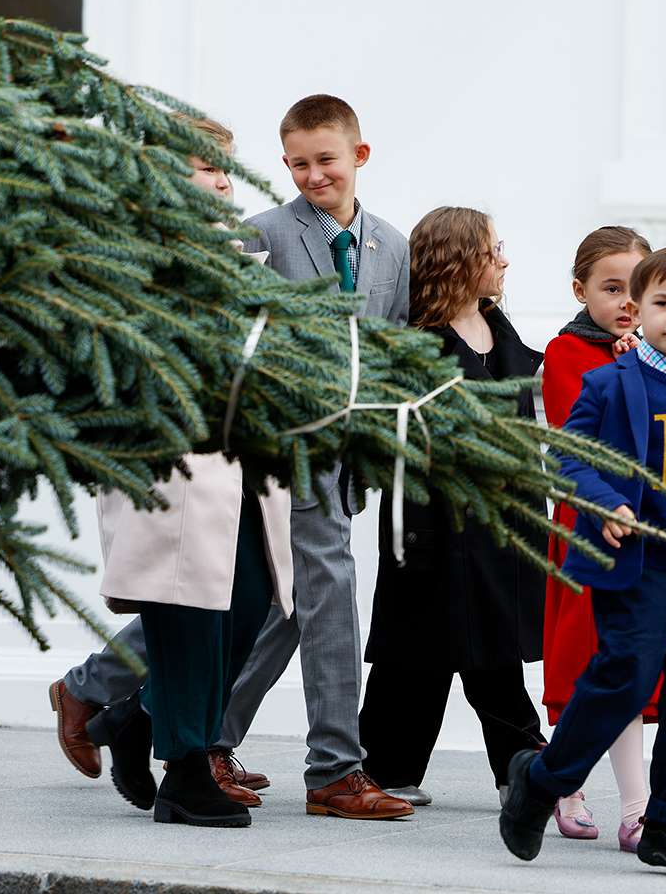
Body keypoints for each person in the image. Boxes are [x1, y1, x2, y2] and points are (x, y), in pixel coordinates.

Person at [499, 247, 666, 881]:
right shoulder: (612, 382)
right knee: (623, 683)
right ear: (637, 311)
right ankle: (543, 780)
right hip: (636, 568)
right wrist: (606, 499)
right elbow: (566, 454)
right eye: (663, 303)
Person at [48, 119, 277, 809]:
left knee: (250, 603)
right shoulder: (132, 252)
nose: (221, 179)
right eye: (205, 165)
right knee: (188, 608)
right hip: (169, 460)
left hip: (238, 458)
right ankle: (187, 767)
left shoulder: (237, 255)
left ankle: (137, 717)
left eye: (225, 167)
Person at [224, 93, 414, 820]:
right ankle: (335, 768)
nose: (313, 175)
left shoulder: (391, 247)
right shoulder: (261, 236)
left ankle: (163, 713)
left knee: (292, 602)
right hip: (283, 447)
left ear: (358, 157)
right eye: (298, 164)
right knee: (326, 588)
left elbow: (390, 350)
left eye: (326, 160)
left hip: (346, 454)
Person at [357, 207, 548, 807]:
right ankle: (514, 767)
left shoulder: (499, 326)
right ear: (461, 260)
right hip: (433, 522)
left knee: (477, 641)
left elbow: (539, 380)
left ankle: (509, 767)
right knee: (417, 650)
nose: (504, 261)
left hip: (504, 518)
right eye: (494, 251)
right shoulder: (418, 340)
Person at [540, 225, 653, 851]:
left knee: (629, 667)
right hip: (587, 531)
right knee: (588, 664)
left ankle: (636, 806)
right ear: (581, 290)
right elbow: (580, 442)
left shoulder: (656, 352)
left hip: (642, 533)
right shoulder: (566, 353)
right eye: (612, 288)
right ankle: (567, 783)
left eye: (638, 287)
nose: (627, 302)